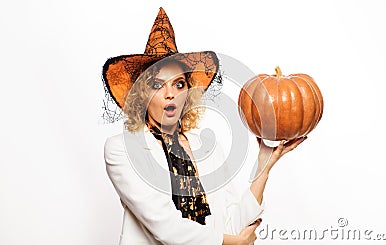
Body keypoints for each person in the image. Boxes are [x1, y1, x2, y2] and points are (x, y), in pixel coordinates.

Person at [102, 8, 306, 245]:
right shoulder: (123, 149)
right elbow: (165, 227)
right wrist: (234, 243)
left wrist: (264, 167)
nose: (170, 94)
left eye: (179, 84)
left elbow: (230, 225)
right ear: (142, 93)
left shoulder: (206, 146)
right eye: (158, 85)